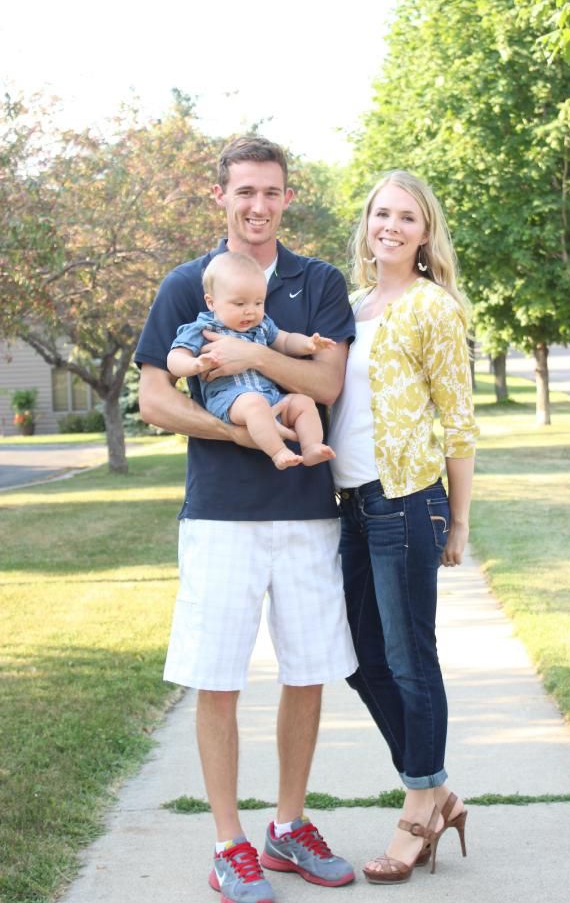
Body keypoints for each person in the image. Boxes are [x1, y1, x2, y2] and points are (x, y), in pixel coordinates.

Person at [135, 136, 357, 903]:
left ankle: (288, 827)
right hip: (221, 518)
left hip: (306, 515)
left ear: (287, 197)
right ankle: (229, 842)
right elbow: (158, 397)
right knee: (218, 678)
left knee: (307, 673)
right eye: (244, 193)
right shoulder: (186, 285)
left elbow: (325, 378)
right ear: (221, 198)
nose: (258, 206)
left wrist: (254, 357)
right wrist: (241, 433)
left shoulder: (317, 281)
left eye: (271, 192)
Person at [327, 170, 478, 885]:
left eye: (406, 217)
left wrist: (458, 522)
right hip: (353, 503)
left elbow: (460, 423)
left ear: (424, 233)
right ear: (367, 223)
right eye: (381, 213)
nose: (390, 225)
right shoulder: (353, 307)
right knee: (362, 660)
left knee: (412, 657)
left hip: (409, 498)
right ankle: (437, 788)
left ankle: (419, 807)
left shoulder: (432, 308)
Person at [167, 250, 337, 469]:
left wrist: (308, 344)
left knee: (303, 403)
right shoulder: (201, 329)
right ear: (211, 302)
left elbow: (285, 341)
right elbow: (175, 357)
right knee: (254, 404)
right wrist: (194, 364)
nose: (251, 312)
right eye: (240, 304)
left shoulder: (262, 325)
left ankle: (311, 446)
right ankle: (278, 452)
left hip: (270, 397)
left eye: (258, 303)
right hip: (230, 399)